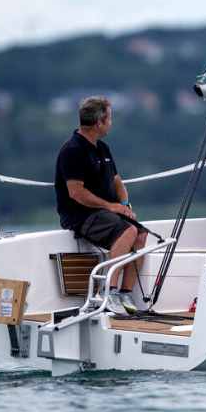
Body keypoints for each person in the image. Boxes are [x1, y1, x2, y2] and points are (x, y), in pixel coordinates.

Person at [54, 96, 146, 315]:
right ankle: (109, 291)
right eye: (110, 118)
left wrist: (124, 205)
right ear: (99, 123)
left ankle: (125, 292)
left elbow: (116, 180)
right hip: (81, 215)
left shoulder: (102, 148)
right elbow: (76, 193)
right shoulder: (73, 150)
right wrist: (111, 207)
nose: (111, 123)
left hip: (106, 212)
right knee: (128, 231)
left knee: (140, 234)